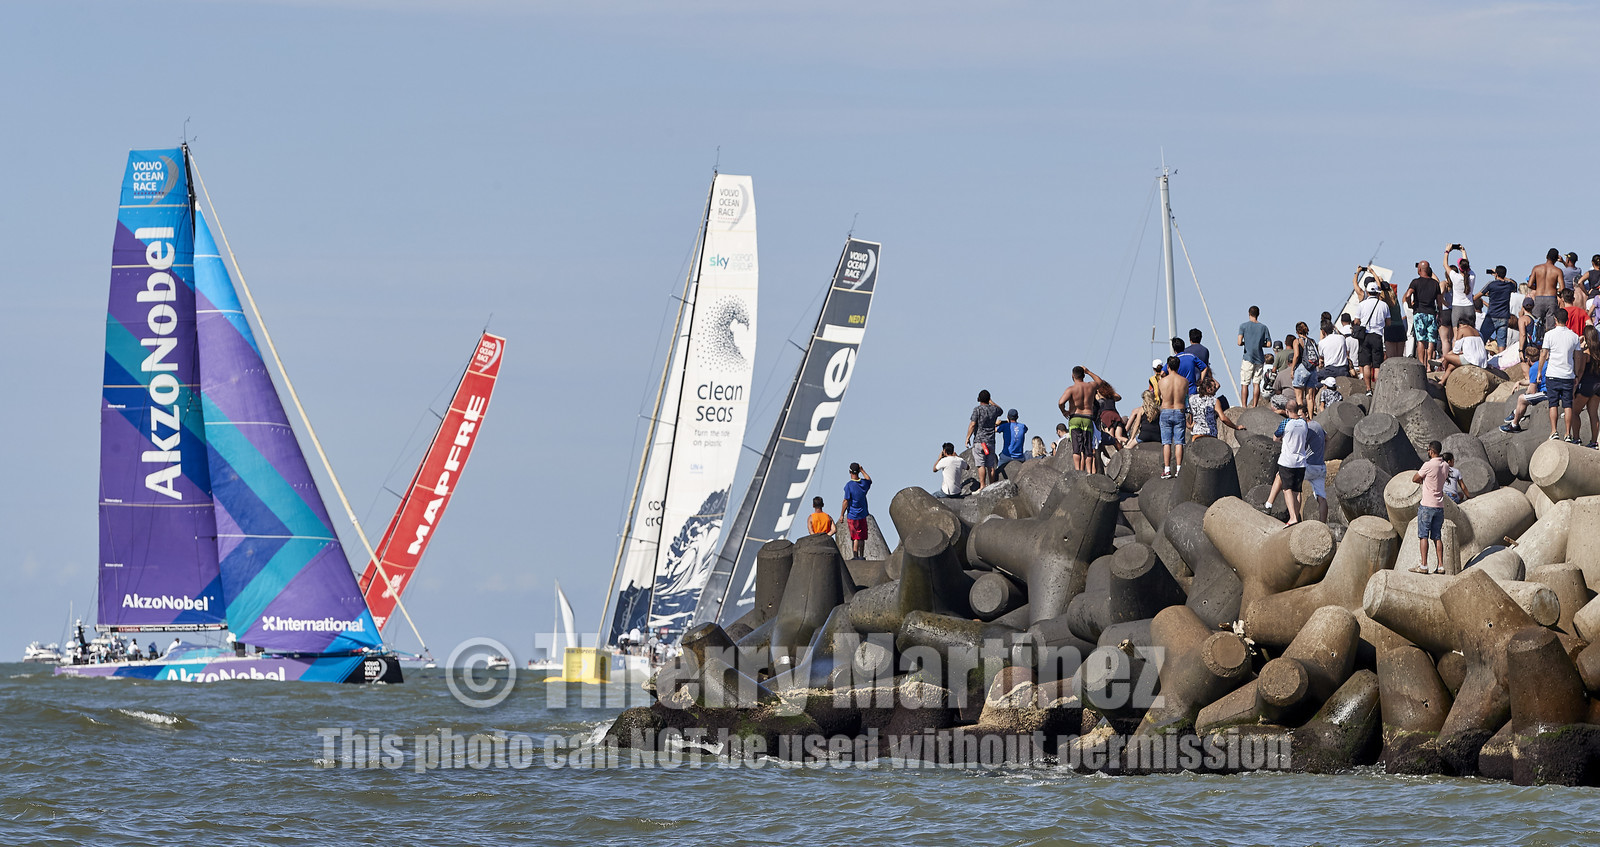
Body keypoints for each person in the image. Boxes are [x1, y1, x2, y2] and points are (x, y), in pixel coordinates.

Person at [1541, 307, 1585, 443]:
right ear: (1568, 320)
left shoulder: (1549, 335)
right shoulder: (1574, 336)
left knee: (1553, 403)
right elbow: (1578, 357)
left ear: (1555, 319)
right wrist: (1577, 374)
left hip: (1553, 374)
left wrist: (1539, 371)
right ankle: (1567, 433)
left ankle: (1554, 431)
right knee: (1568, 405)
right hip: (1568, 375)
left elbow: (1544, 354)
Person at [1263, 401, 1311, 525]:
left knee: (1287, 489)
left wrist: (1283, 440)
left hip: (1287, 461)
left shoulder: (1286, 423)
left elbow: (1275, 437)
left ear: (1287, 411)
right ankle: (1271, 504)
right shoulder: (1304, 423)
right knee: (1296, 491)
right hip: (1301, 462)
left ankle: (1293, 517)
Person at [1410, 442, 1450, 575]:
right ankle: (1440, 566)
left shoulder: (1428, 465)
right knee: (1437, 537)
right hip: (1439, 506)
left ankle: (1424, 565)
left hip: (1427, 505)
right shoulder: (1446, 466)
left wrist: (1423, 480)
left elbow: (1415, 478)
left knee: (1423, 536)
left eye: (1428, 450)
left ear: (1431, 451)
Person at [1057, 365, 1104, 472]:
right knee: (1088, 448)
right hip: (1087, 418)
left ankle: (1078, 471)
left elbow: (1060, 402)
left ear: (1073, 376)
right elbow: (1100, 382)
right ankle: (1088, 472)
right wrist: (1089, 371)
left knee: (1077, 449)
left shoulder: (1071, 389)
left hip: (1075, 418)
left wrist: (1064, 411)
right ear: (1083, 375)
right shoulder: (1090, 386)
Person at [1500, 345, 1549, 433]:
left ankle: (1514, 425)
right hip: (1553, 390)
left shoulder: (1534, 368)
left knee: (1522, 399)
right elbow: (1533, 380)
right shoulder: (1545, 363)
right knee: (1524, 397)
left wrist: (1526, 393)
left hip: (1546, 393)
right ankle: (1516, 413)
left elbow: (1532, 390)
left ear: (1528, 359)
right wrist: (1520, 382)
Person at [1406, 261, 1445, 370]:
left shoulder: (1415, 282)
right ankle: (1429, 366)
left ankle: (1421, 364)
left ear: (1419, 270)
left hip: (1419, 312)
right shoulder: (1435, 284)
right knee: (1431, 340)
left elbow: (1408, 294)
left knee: (1420, 340)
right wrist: (1440, 313)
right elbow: (1439, 300)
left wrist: (1410, 304)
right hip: (1431, 313)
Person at [1158, 356, 1190, 479]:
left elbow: (1160, 395)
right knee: (1179, 442)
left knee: (1166, 442)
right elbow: (1186, 396)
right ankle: (1179, 468)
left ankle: (1167, 469)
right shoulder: (1184, 381)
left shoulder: (1162, 381)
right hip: (1179, 410)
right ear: (1178, 366)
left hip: (1166, 410)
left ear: (1168, 366)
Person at [1188, 372, 1243, 440]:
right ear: (1208, 389)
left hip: (1196, 435)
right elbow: (1223, 418)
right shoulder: (1214, 401)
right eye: (1214, 387)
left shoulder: (1192, 399)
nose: (1215, 389)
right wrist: (1236, 427)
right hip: (1210, 434)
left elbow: (1185, 411)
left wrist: (1189, 426)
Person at [1441, 244, 1475, 354]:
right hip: (1469, 307)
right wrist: (1463, 250)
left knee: (1456, 336)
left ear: (1459, 268)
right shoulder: (1472, 276)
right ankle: (1469, 354)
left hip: (1457, 308)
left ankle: (1455, 356)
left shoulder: (1455, 277)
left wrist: (1447, 251)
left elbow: (1445, 265)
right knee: (1470, 335)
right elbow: (1467, 266)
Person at [1474, 264, 1517, 351]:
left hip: (1492, 315)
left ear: (1496, 274)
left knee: (1482, 338)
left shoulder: (1491, 285)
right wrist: (1504, 277)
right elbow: (1514, 284)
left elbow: (1477, 296)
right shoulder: (1508, 286)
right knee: (1502, 342)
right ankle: (1502, 360)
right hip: (1504, 316)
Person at [965, 390, 1003, 489]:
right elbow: (1001, 410)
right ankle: (992, 486)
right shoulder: (994, 410)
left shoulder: (977, 410)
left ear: (979, 399)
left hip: (979, 440)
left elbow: (973, 424)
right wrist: (991, 401)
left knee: (980, 464)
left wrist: (967, 437)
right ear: (988, 399)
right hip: (990, 441)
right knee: (990, 465)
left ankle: (982, 485)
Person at [1238, 305, 1271, 407]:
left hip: (1248, 357)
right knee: (1256, 383)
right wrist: (1260, 344)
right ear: (1258, 314)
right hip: (1259, 358)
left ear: (1249, 313)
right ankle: (1254, 406)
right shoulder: (1264, 327)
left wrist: (1245, 343)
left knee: (1245, 383)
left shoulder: (1243, 326)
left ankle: (1244, 406)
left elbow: (1239, 342)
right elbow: (1269, 344)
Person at [838, 463, 872, 560]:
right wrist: (863, 470)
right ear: (858, 472)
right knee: (861, 537)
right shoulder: (863, 484)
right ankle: (861, 556)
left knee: (855, 537)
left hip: (852, 515)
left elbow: (846, 501)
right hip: (862, 514)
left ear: (850, 472)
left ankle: (855, 556)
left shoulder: (849, 486)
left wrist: (841, 514)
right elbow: (869, 480)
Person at [1574, 326, 1600, 449]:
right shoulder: (1598, 351)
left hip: (1586, 386)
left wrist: (1579, 344)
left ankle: (1576, 439)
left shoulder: (1586, 354)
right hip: (1598, 386)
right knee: (1593, 414)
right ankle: (1594, 442)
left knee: (1574, 412)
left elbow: (1580, 371)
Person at [1530, 248, 1565, 337]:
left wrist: (1538, 288)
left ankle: (1535, 345)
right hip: (1551, 298)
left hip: (1539, 297)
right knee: (1550, 326)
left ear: (1546, 256)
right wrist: (1555, 290)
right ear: (1557, 259)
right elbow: (1562, 288)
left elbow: (1529, 284)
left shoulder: (1537, 268)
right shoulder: (1557, 271)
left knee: (1536, 324)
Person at [1305, 413, 1330, 522]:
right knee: (1321, 497)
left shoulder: (1308, 427)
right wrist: (1323, 452)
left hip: (1309, 466)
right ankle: (1322, 524)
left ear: (1306, 414)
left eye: (1300, 415)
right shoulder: (1318, 426)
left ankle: (1294, 518)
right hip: (1320, 466)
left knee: (1293, 488)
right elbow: (1327, 438)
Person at [1290, 321, 1319, 412]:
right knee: (1310, 397)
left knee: (1299, 396)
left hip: (1301, 368)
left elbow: (1297, 355)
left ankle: (1301, 415)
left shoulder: (1297, 341)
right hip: (1312, 369)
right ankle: (1310, 417)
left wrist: (1292, 369)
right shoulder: (1312, 341)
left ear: (1297, 331)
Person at [1094, 380, 1125, 452]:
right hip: (1116, 415)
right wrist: (1109, 392)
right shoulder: (1111, 396)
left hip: (1106, 417)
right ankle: (1128, 443)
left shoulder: (1098, 396)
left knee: (1111, 438)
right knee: (1119, 437)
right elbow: (1119, 397)